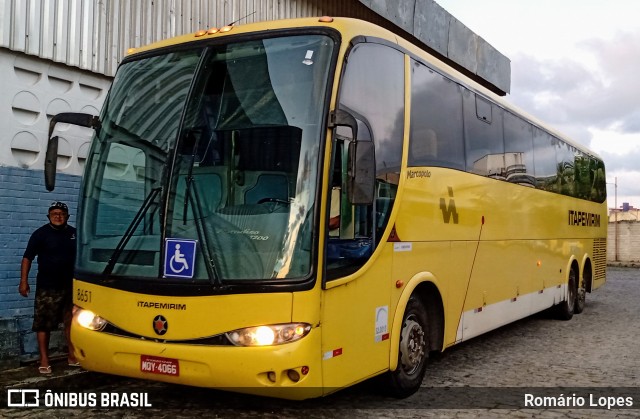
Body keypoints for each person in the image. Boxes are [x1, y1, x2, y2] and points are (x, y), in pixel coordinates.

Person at [19, 201, 78, 374]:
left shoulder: (75, 234)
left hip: (71, 287)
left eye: (61, 213)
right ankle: (44, 359)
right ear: (49, 216)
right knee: (43, 324)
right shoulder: (40, 234)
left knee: (72, 322)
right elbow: (27, 258)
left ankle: (72, 355)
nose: (58, 216)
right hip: (47, 287)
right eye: (54, 214)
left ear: (67, 216)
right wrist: (24, 281)